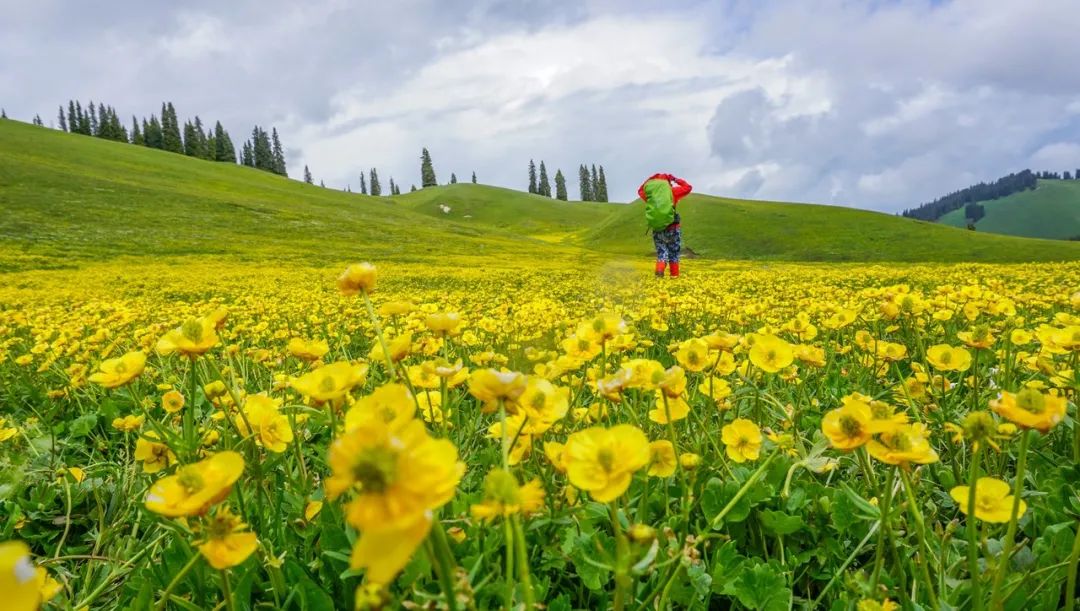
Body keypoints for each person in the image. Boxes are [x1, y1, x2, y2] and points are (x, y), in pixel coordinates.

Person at [638, 173, 692, 277]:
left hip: (658, 229)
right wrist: (675, 179)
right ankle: (674, 278)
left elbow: (640, 191)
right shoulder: (672, 192)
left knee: (661, 253)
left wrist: (650, 180)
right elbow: (688, 188)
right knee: (674, 254)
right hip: (673, 228)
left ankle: (659, 271)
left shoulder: (651, 195)